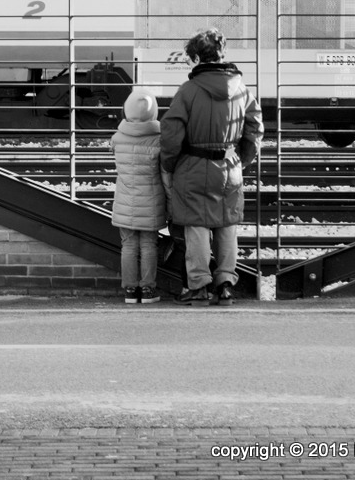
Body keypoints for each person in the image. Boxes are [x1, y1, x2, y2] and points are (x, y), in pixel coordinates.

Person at [160, 29, 264, 307]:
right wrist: (240, 160)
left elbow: (171, 134)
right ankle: (226, 283)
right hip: (229, 166)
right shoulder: (242, 90)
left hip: (192, 166)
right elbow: (255, 130)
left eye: (188, 59)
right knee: (227, 224)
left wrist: (170, 164)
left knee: (196, 226)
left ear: (196, 57)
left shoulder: (188, 90)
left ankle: (199, 286)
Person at [110, 87, 168, 304]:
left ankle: (129, 291)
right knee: (148, 245)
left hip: (125, 200)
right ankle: (147, 290)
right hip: (151, 201)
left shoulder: (117, 137)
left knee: (128, 245)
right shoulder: (159, 139)